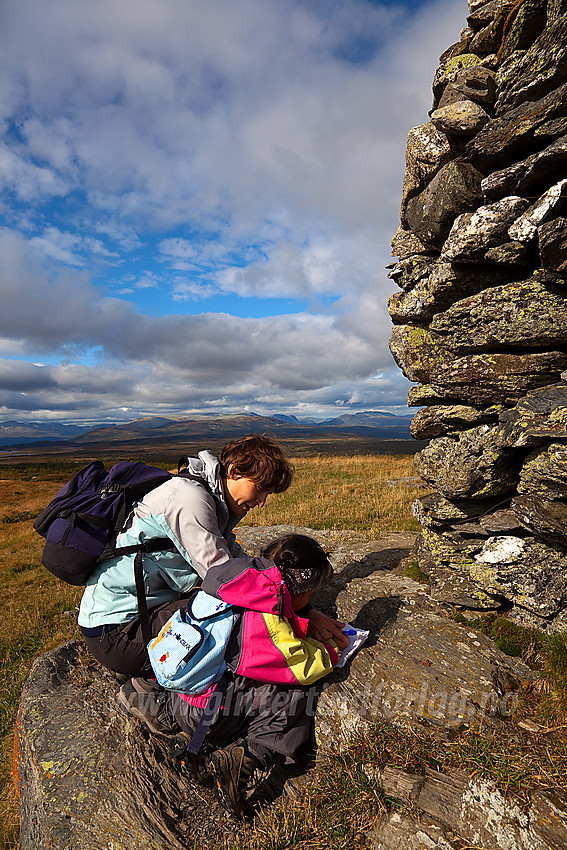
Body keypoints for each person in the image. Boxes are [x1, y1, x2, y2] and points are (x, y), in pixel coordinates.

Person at [78, 435, 347, 678]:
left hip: (138, 618)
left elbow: (241, 565)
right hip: (120, 632)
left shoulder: (213, 501)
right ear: (234, 471)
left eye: (268, 493)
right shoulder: (190, 500)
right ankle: (157, 703)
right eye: (261, 488)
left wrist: (302, 608)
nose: (262, 501)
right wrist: (299, 615)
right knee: (240, 623)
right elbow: (229, 582)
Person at [119, 534, 343, 819]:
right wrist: (332, 650)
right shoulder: (265, 620)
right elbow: (300, 665)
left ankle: (158, 705)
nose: (310, 601)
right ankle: (248, 756)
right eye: (310, 595)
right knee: (295, 694)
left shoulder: (228, 581)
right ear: (298, 590)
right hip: (207, 718)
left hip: (180, 691)